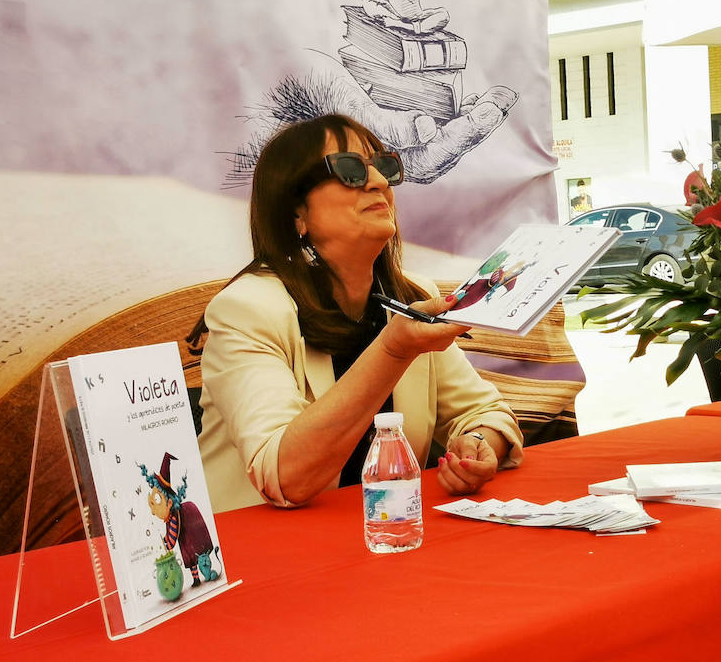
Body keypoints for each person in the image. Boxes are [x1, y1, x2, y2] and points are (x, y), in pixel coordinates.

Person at [197, 114, 522, 514]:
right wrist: (394, 350)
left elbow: (485, 413)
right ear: (296, 213)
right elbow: (285, 477)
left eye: (384, 166)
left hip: (386, 534)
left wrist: (477, 447)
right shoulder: (247, 309)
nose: (380, 183)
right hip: (258, 552)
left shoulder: (407, 295)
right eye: (350, 170)